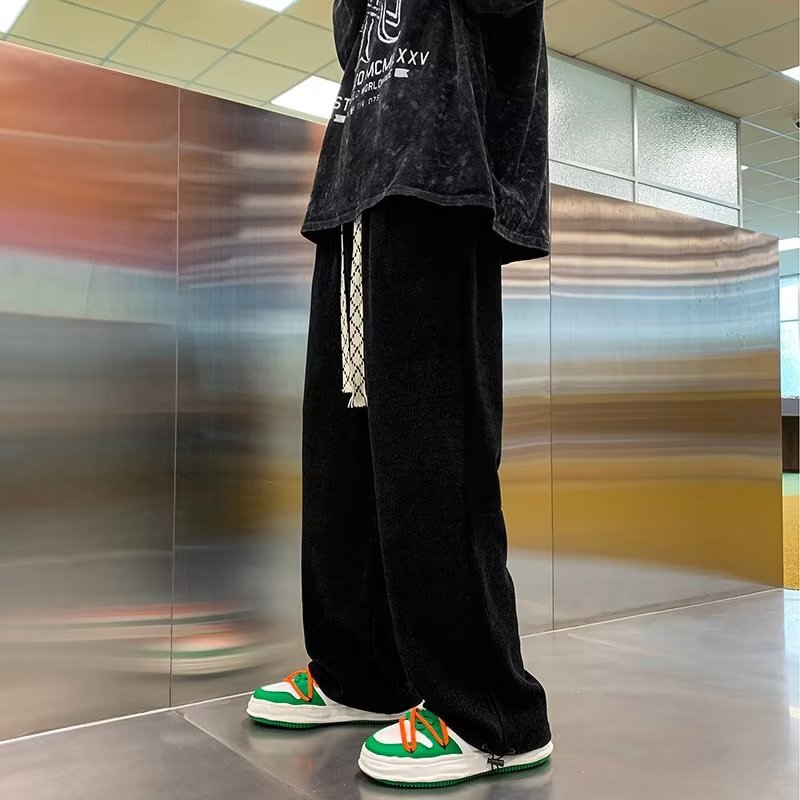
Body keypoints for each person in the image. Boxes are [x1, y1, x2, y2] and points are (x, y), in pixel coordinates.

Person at [247, 0, 552, 788]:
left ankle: (491, 712)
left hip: (440, 174)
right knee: (342, 452)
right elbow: (355, 37)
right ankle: (360, 670)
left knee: (433, 447)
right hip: (357, 180)